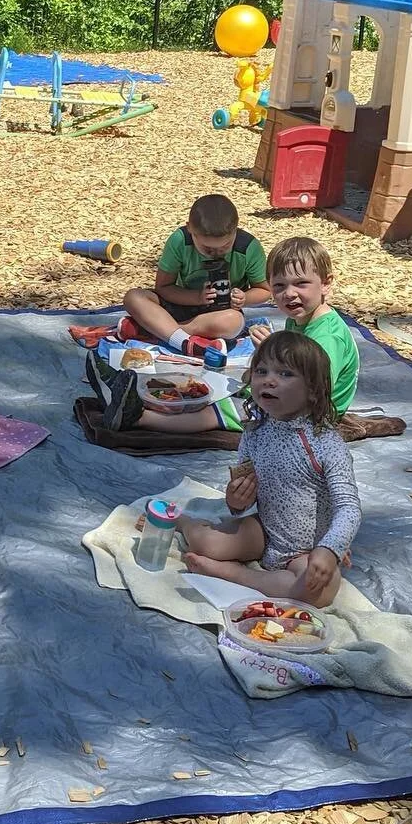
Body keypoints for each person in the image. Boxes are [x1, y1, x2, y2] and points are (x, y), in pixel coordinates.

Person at [90, 235, 359, 434]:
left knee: (225, 410)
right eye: (279, 286)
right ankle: (130, 394)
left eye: (301, 284)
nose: (289, 294)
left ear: (326, 284)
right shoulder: (299, 320)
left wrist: (273, 361)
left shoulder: (327, 336)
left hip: (308, 418)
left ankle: (135, 418)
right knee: (212, 389)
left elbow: (314, 388)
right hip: (290, 399)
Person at [177, 331, 361, 608]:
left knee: (316, 594)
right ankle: (181, 521)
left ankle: (233, 574)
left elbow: (348, 506)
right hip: (264, 530)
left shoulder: (326, 443)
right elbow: (243, 493)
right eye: (261, 371)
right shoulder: (255, 433)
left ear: (313, 390)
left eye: (285, 374)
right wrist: (236, 501)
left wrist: (331, 548)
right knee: (206, 545)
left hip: (308, 548)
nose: (269, 380)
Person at [118, 193, 270, 359]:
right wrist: (196, 297)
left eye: (225, 246)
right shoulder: (180, 241)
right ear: (190, 229)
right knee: (133, 297)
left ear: (236, 230)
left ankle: (152, 331)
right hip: (180, 302)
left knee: (233, 322)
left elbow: (264, 290)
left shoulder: (248, 247)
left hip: (217, 313)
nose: (216, 254)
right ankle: (185, 342)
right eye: (207, 249)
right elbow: (162, 287)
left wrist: (244, 298)